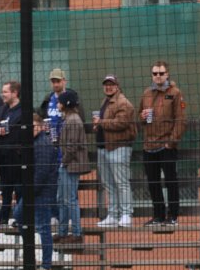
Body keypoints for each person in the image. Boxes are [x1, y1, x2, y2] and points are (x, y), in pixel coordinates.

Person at [137, 60, 187, 226]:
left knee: (171, 181)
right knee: (153, 183)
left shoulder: (175, 93)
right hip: (149, 146)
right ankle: (158, 216)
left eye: (161, 73)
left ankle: (173, 216)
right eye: (155, 73)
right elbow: (139, 116)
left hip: (166, 146)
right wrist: (142, 117)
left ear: (167, 74)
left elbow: (181, 120)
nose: (158, 76)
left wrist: (170, 142)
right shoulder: (146, 93)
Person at [93, 75, 137, 228]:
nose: (108, 87)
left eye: (111, 84)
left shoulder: (123, 102)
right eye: (106, 84)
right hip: (104, 148)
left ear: (117, 86)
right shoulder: (105, 101)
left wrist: (101, 122)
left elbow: (121, 123)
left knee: (121, 183)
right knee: (109, 184)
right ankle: (113, 215)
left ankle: (126, 214)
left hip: (118, 147)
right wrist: (98, 125)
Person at [57, 90, 89, 242]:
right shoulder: (69, 119)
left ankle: (77, 233)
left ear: (66, 104)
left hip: (71, 165)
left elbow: (72, 146)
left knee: (70, 199)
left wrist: (64, 161)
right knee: (62, 199)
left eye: (60, 102)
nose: (58, 104)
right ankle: (62, 231)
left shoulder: (74, 120)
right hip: (68, 164)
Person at [31, 113, 59, 270]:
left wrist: (30, 191)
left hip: (41, 192)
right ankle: (35, 258)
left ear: (41, 127)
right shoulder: (35, 142)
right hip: (35, 191)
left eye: (34, 126)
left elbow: (41, 172)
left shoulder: (42, 144)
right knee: (20, 217)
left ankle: (46, 265)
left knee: (43, 227)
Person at [0, 80, 23, 227]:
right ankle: (3, 218)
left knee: (19, 190)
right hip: (3, 157)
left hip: (18, 158)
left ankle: (20, 217)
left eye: (5, 92)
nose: (3, 94)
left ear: (15, 93)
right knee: (5, 190)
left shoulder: (23, 111)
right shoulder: (1, 110)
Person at [37, 68, 77, 147]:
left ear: (64, 81)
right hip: (50, 143)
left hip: (67, 142)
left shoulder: (73, 99)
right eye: (53, 82)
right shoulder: (48, 99)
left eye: (58, 81)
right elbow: (42, 117)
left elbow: (79, 119)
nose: (55, 84)